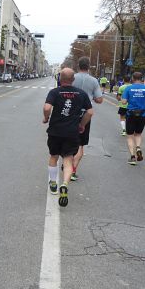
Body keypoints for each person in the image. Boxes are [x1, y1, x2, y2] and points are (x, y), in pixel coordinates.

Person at [43, 68, 93, 207]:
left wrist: (46, 118)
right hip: (72, 132)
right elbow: (90, 112)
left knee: (53, 156)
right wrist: (82, 125)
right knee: (68, 159)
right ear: (73, 79)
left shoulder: (54, 92)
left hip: (55, 131)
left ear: (60, 78)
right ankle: (64, 184)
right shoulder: (81, 94)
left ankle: (53, 183)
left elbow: (47, 108)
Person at [70, 57, 103, 181]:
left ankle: (67, 163)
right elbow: (99, 99)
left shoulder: (72, 78)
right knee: (80, 145)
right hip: (85, 115)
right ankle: (72, 170)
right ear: (89, 67)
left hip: (70, 113)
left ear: (78, 65)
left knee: (68, 140)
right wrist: (92, 97)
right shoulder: (94, 81)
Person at [121, 72, 145, 165]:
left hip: (131, 114)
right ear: (142, 78)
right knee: (138, 134)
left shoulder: (128, 88)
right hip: (142, 114)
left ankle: (132, 157)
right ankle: (138, 147)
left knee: (130, 135)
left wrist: (125, 99)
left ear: (132, 78)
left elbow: (123, 102)